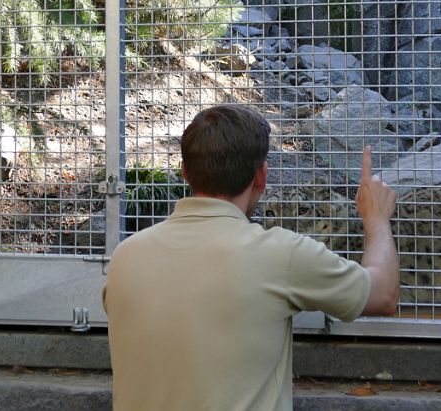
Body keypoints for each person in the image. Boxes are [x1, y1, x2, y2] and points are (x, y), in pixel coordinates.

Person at [103, 104, 399, 411]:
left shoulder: (124, 258)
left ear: (185, 172)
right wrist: (376, 218)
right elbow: (383, 294)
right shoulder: (280, 254)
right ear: (261, 176)